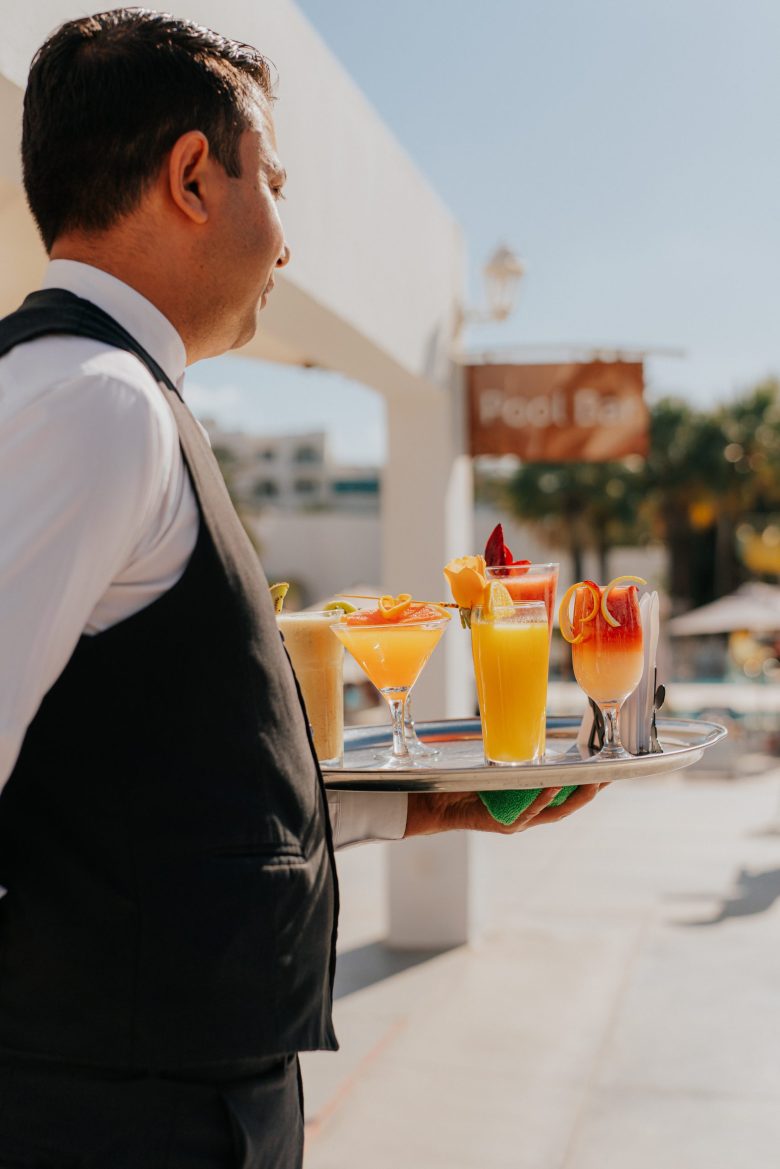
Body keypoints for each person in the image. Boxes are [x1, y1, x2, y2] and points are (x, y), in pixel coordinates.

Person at [0, 10, 605, 1166]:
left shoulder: (110, 394)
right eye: (271, 181)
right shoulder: (94, 400)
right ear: (192, 177)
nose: (286, 244)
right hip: (120, 1117)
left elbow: (147, 784)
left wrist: (429, 805)